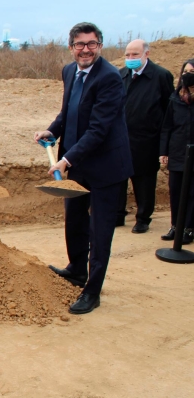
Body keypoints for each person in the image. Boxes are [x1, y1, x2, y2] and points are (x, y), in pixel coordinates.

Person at [34, 22, 132, 314]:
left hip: (106, 168)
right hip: (78, 164)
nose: (85, 50)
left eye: (92, 44)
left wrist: (66, 160)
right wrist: (52, 131)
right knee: (74, 221)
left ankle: (93, 291)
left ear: (100, 46)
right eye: (80, 44)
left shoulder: (110, 78)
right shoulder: (69, 71)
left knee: (99, 230)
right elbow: (69, 111)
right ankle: (77, 269)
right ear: (71, 47)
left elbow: (98, 129)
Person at [116, 39, 174, 233]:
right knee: (118, 179)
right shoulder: (120, 75)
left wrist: (165, 140)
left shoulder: (160, 76)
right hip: (121, 138)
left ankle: (143, 219)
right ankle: (117, 214)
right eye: (127, 55)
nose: (130, 59)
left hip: (147, 140)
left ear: (146, 54)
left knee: (144, 181)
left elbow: (169, 109)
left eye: (135, 55)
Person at [159, 59, 194, 243]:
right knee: (176, 190)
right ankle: (175, 226)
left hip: (193, 154)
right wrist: (163, 151)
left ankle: (188, 228)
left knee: (191, 193)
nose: (188, 75)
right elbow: (167, 127)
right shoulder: (175, 98)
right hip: (177, 152)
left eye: (192, 71)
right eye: (186, 71)